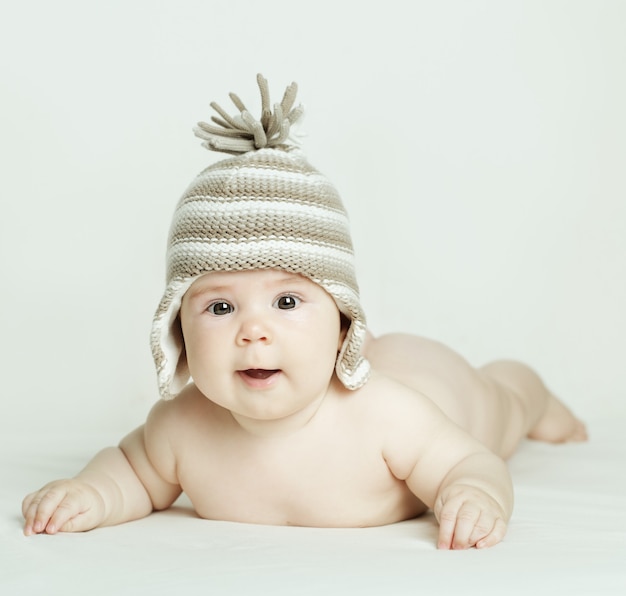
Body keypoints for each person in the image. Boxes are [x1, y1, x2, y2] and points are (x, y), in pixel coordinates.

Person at [21, 75, 587, 550]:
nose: (253, 331)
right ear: (179, 334)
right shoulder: (181, 428)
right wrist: (90, 494)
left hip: (435, 381)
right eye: (219, 306)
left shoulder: (388, 416)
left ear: (342, 322)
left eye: (287, 301)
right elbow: (132, 472)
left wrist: (474, 492)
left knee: (502, 405)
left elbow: (471, 462)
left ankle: (528, 389)